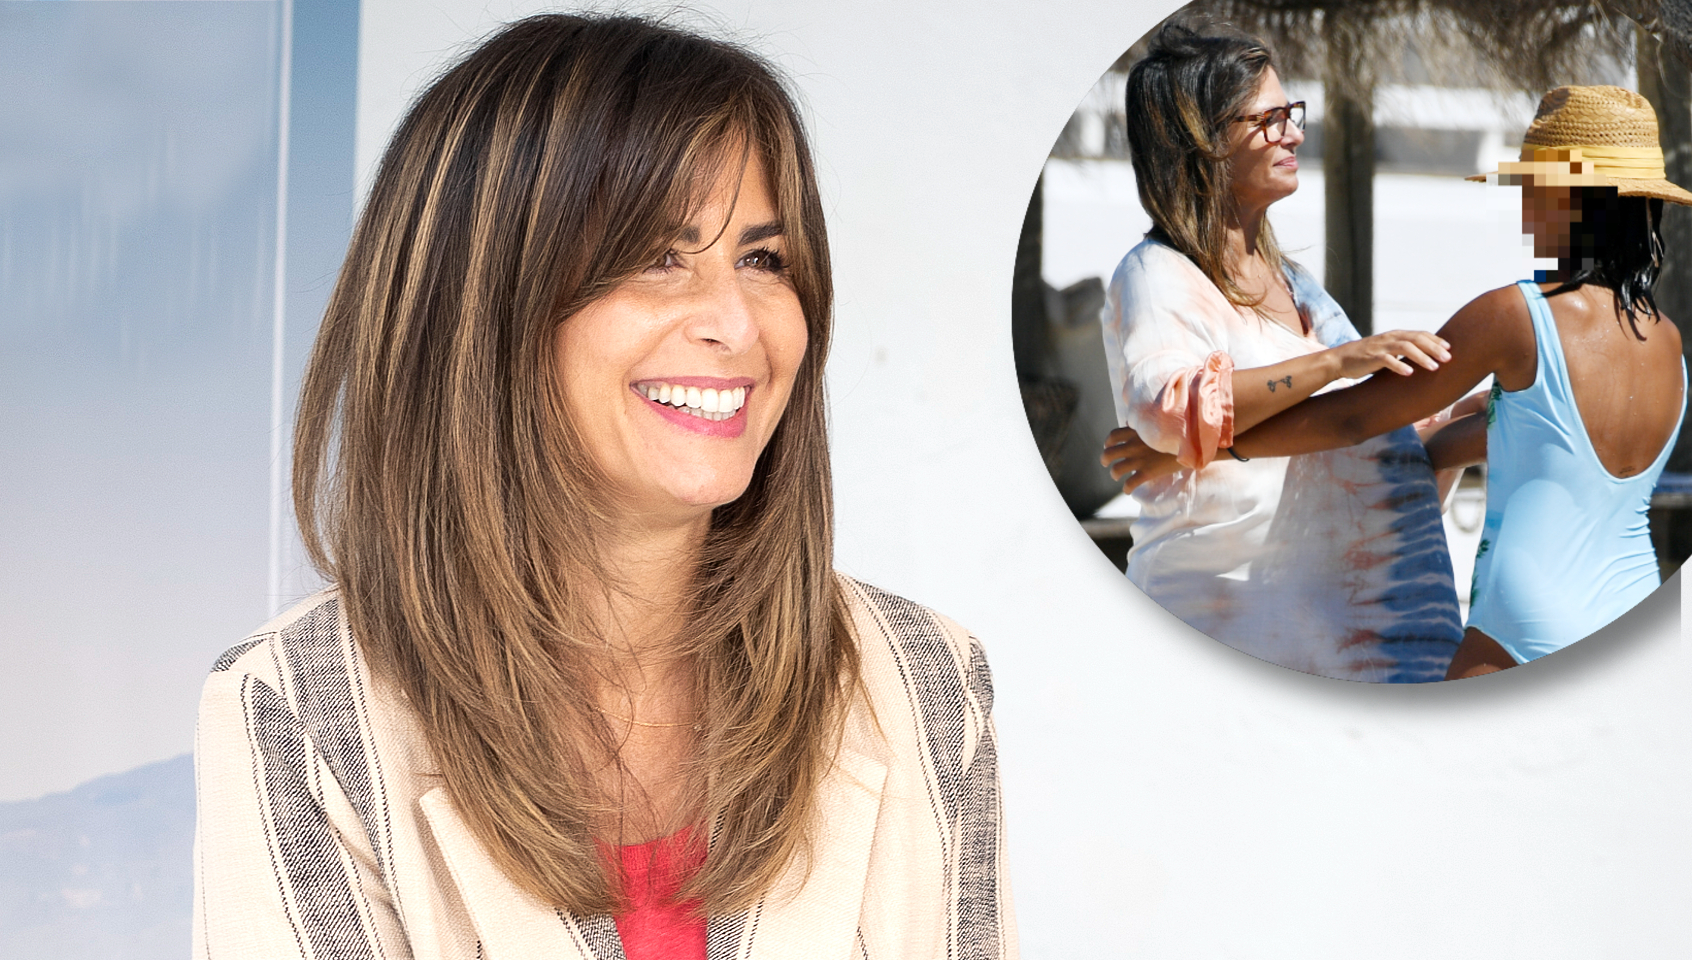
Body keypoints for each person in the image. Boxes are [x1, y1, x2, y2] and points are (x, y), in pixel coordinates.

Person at [192, 15, 1015, 960]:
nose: (736, 324)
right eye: (658, 257)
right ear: (482, 304)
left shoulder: (924, 681)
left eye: (763, 259)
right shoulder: (299, 706)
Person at [1107, 85, 1689, 680]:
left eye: (1530, 191)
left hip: (1521, 623)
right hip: (1633, 607)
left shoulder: (1514, 316)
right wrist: (1460, 423)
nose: (1523, 210)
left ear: (1568, 200)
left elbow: (1355, 417)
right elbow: (1523, 455)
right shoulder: (1667, 342)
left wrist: (1205, 449)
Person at [1095, 18, 1464, 682]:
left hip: (1319, 648)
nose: (1294, 133)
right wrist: (1335, 363)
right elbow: (1174, 415)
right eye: (1269, 120)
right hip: (1219, 642)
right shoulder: (1157, 277)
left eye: (1291, 113)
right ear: (1204, 142)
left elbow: (1366, 439)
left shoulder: (1296, 286)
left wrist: (1470, 424)